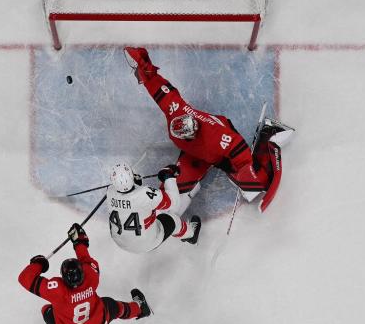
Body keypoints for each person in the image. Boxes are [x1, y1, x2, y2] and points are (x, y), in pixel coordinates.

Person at [123, 46, 294, 209]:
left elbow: (237, 147)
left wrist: (246, 172)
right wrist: (143, 66)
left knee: (255, 183)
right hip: (194, 153)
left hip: (217, 153)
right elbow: (157, 86)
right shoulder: (175, 110)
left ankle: (269, 135)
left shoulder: (215, 136)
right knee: (169, 191)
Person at [18, 223, 151, 324]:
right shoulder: (91, 277)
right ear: (82, 272)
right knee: (112, 305)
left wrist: (38, 264)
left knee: (46, 310)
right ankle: (140, 309)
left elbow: (25, 278)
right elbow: (86, 260)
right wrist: (79, 241)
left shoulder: (57, 291)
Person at [106, 162, 201, 253]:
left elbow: (127, 198)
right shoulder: (144, 194)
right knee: (172, 219)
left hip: (121, 242)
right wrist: (169, 177)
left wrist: (134, 185)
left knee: (143, 213)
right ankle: (191, 235)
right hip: (146, 243)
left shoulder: (109, 192)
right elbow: (174, 202)